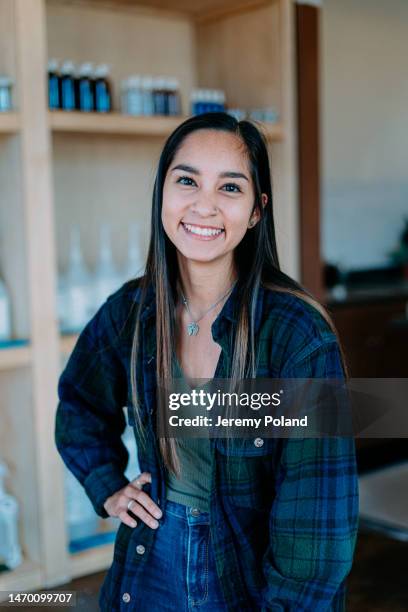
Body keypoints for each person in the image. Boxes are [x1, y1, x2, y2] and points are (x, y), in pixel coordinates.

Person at [55, 112, 359, 611]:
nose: (204, 205)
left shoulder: (297, 335)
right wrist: (107, 485)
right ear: (163, 194)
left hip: (244, 579)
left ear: (257, 211)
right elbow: (79, 403)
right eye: (187, 180)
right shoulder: (133, 310)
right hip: (148, 555)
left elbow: (316, 532)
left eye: (230, 188)